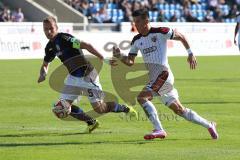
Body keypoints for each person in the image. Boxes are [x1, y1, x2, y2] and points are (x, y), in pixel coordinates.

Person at [113, 8, 219, 140]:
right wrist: (119, 56)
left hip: (164, 75)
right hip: (155, 79)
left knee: (141, 97)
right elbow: (130, 62)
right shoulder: (136, 40)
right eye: (134, 22)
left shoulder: (161, 31)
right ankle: (209, 125)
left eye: (138, 21)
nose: (136, 25)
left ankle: (159, 129)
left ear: (146, 20)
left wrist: (190, 53)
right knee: (179, 110)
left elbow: (181, 36)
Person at [38, 16, 137, 133]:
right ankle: (91, 122)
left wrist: (103, 59)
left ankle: (124, 108)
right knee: (61, 107)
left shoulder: (65, 38)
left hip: (88, 76)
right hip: (73, 78)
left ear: (56, 27)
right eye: (46, 29)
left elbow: (86, 45)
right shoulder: (50, 47)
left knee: (100, 109)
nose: (48, 32)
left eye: (51, 28)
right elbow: (45, 64)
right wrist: (43, 73)